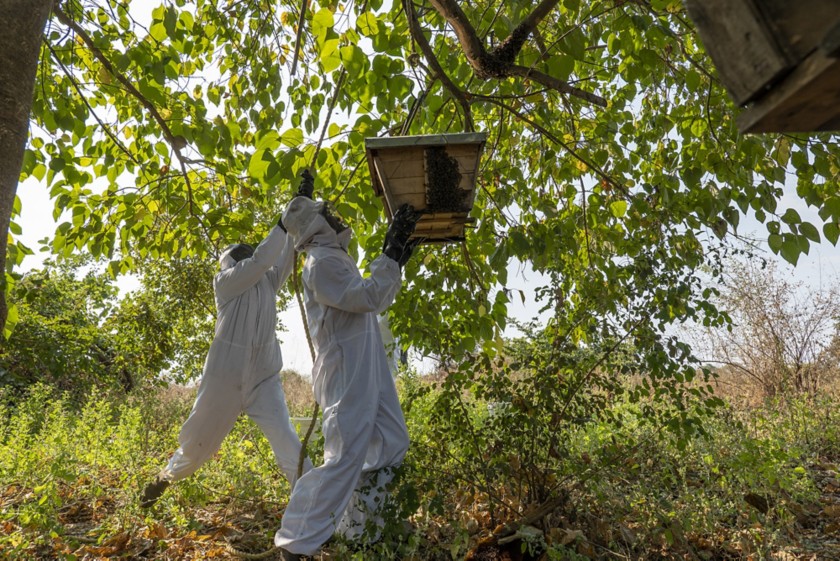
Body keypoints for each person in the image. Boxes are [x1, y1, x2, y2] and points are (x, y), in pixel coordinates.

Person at [273, 196, 420, 560]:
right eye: (327, 213)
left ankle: (360, 521)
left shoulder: (335, 256)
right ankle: (295, 543)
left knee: (391, 438)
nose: (336, 216)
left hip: (365, 362)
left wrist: (396, 259)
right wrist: (389, 255)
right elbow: (368, 297)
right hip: (345, 369)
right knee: (343, 457)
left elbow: (370, 298)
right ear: (315, 225)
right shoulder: (320, 263)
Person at [140, 213, 314, 508]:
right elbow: (261, 261)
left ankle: (314, 506)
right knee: (198, 447)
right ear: (232, 264)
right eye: (241, 254)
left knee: (288, 442)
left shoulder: (268, 282)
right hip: (224, 380)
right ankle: (163, 479)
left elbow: (284, 256)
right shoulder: (225, 283)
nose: (248, 254)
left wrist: (295, 222)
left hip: (263, 380)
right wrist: (282, 224)